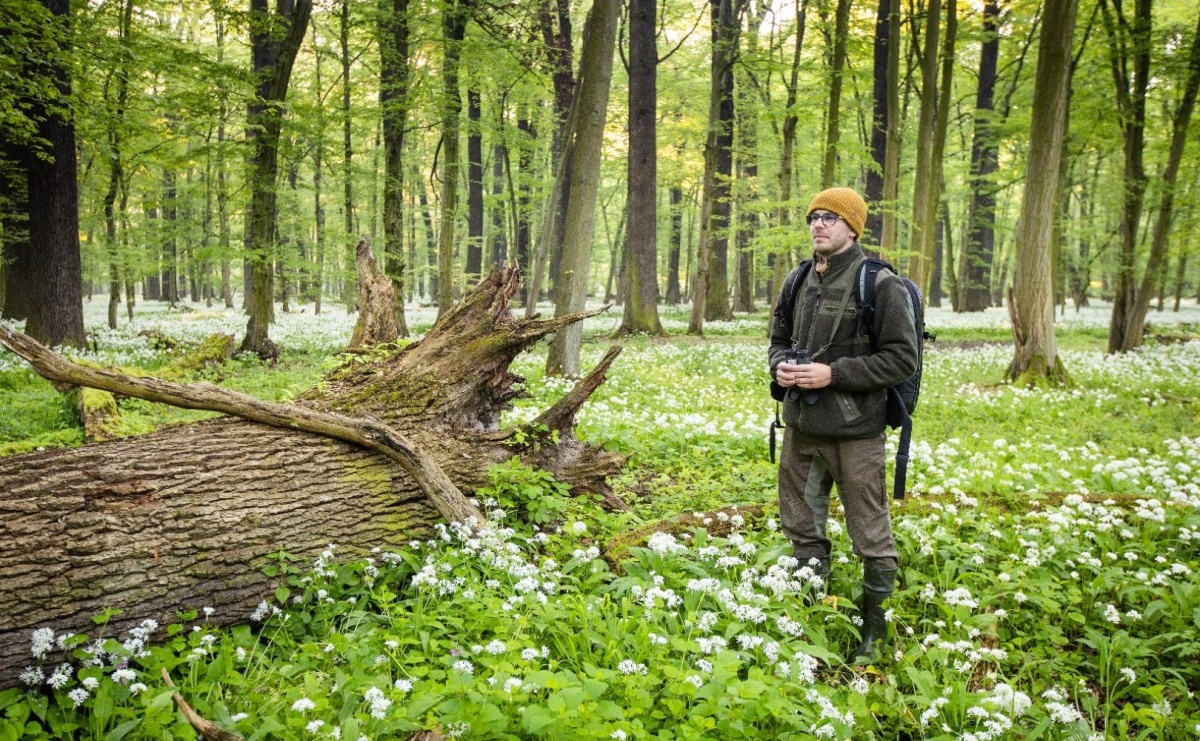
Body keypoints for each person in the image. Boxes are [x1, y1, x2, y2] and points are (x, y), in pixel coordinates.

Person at [768, 186, 919, 664]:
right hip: (802, 429)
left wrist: (834, 373)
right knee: (802, 528)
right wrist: (780, 368)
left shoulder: (880, 284)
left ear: (853, 227)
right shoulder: (797, 281)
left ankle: (872, 636)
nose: (818, 224)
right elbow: (777, 338)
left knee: (871, 534)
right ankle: (810, 618)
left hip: (857, 434)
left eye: (830, 218)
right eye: (813, 216)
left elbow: (901, 359)